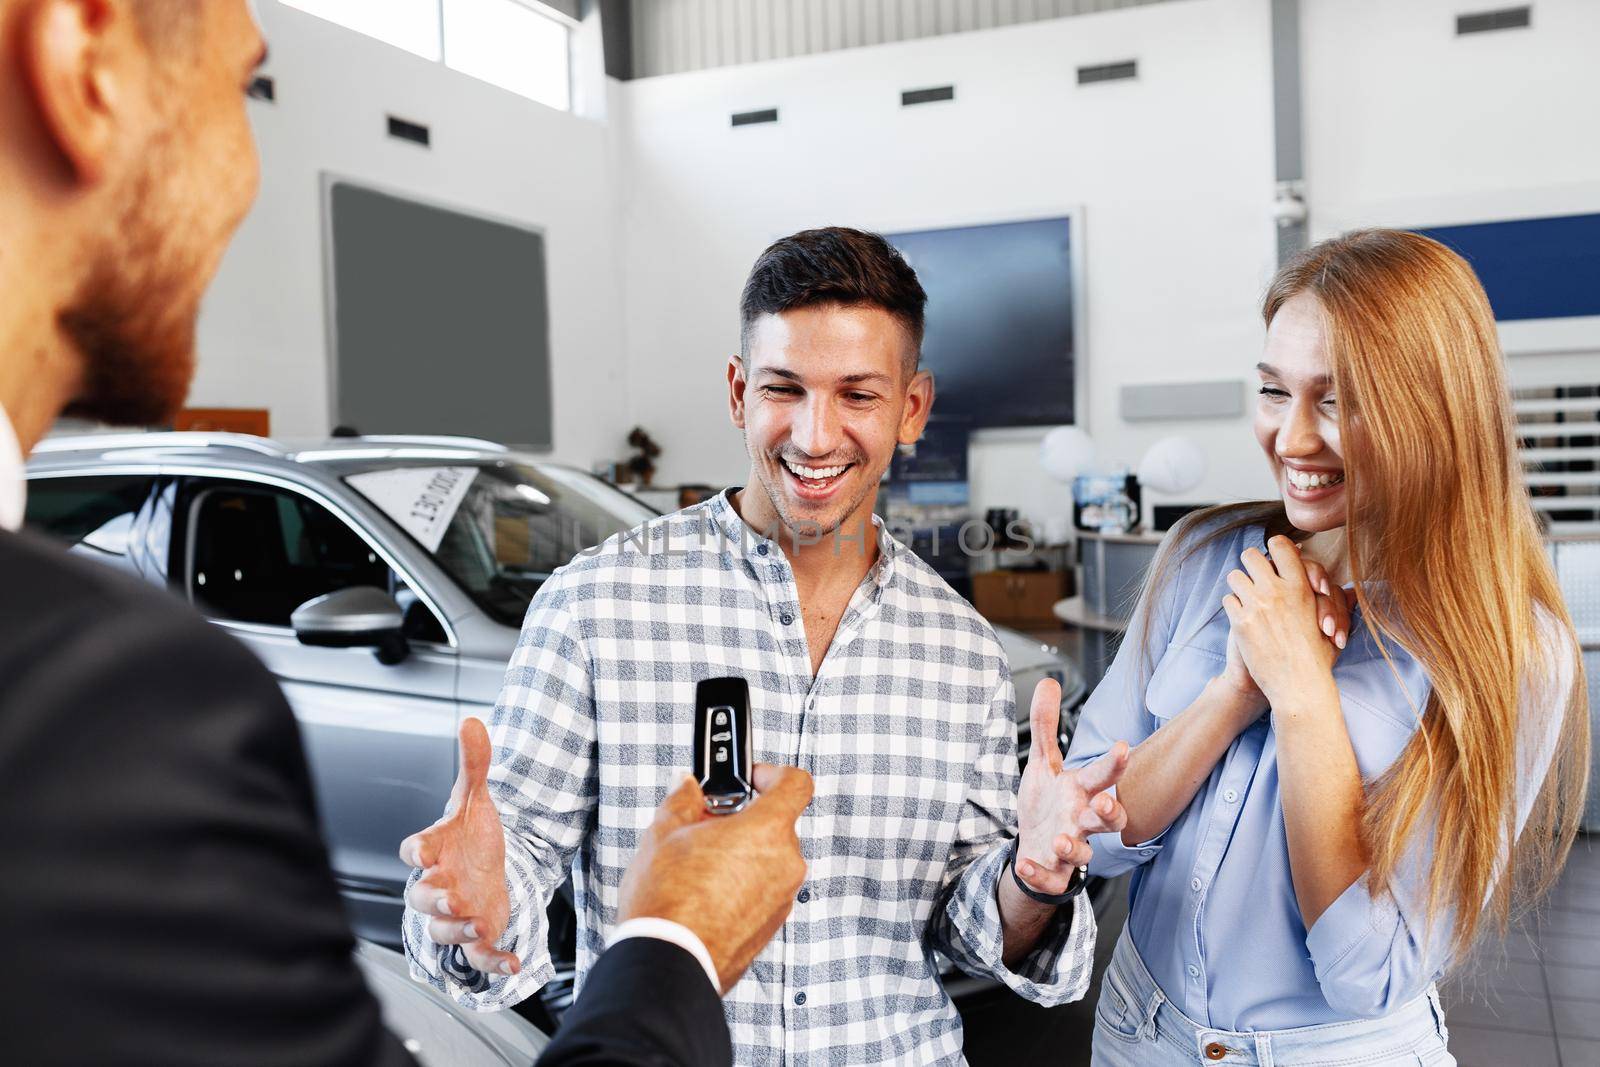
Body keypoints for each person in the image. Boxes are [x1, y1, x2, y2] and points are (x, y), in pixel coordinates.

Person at [0, 2, 809, 1064]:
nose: (249, 181)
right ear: (85, 53)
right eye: (245, 90)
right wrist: (675, 938)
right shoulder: (100, 704)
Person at [402, 226, 1133, 1064]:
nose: (816, 436)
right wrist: (479, 906)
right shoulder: (595, 605)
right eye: (786, 388)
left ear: (912, 409)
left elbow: (966, 926)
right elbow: (512, 867)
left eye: (858, 395)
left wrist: (1033, 876)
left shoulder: (961, 649)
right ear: (739, 392)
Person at [1066, 229, 1589, 1066]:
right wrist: (1231, 693)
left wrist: (1304, 693)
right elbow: (1091, 832)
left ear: (1438, 409)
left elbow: (1367, 970)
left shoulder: (1515, 647)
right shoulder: (1200, 558)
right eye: (1275, 391)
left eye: (1339, 400)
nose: (1293, 438)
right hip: (1137, 1033)